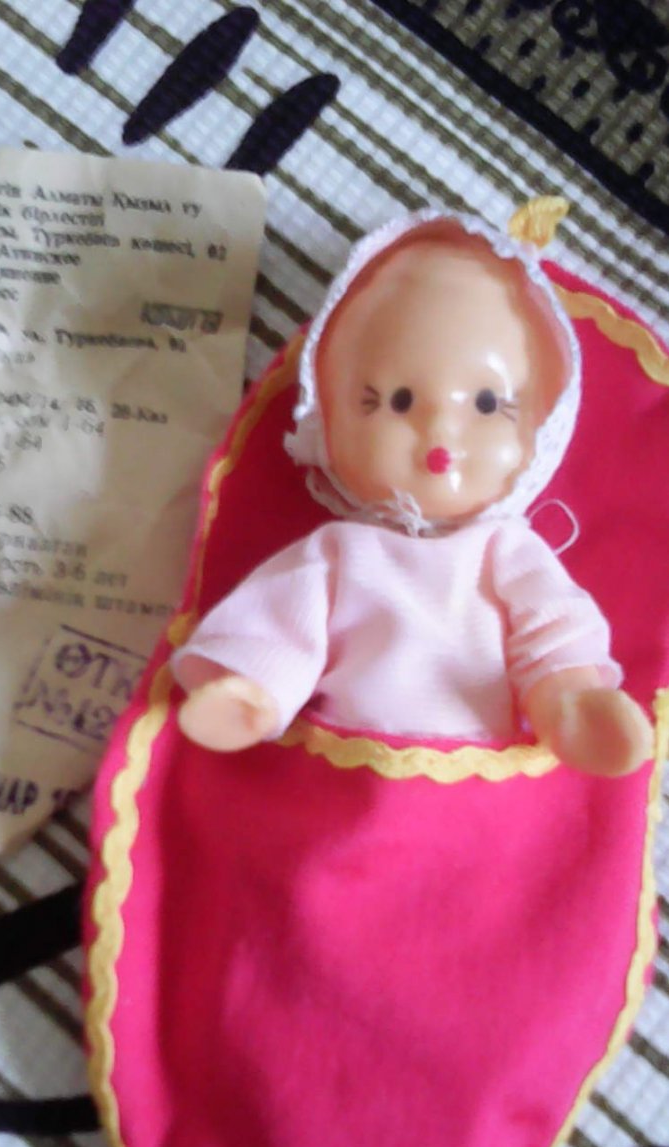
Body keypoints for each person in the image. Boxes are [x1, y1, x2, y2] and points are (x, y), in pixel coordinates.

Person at [172, 213, 652, 777]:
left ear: (544, 425)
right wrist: (258, 691)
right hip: (348, 768)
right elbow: (283, 628)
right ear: (328, 422)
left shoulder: (505, 551)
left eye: (487, 405)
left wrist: (565, 698)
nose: (440, 432)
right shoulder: (339, 551)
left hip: (474, 774)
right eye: (399, 402)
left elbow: (551, 634)